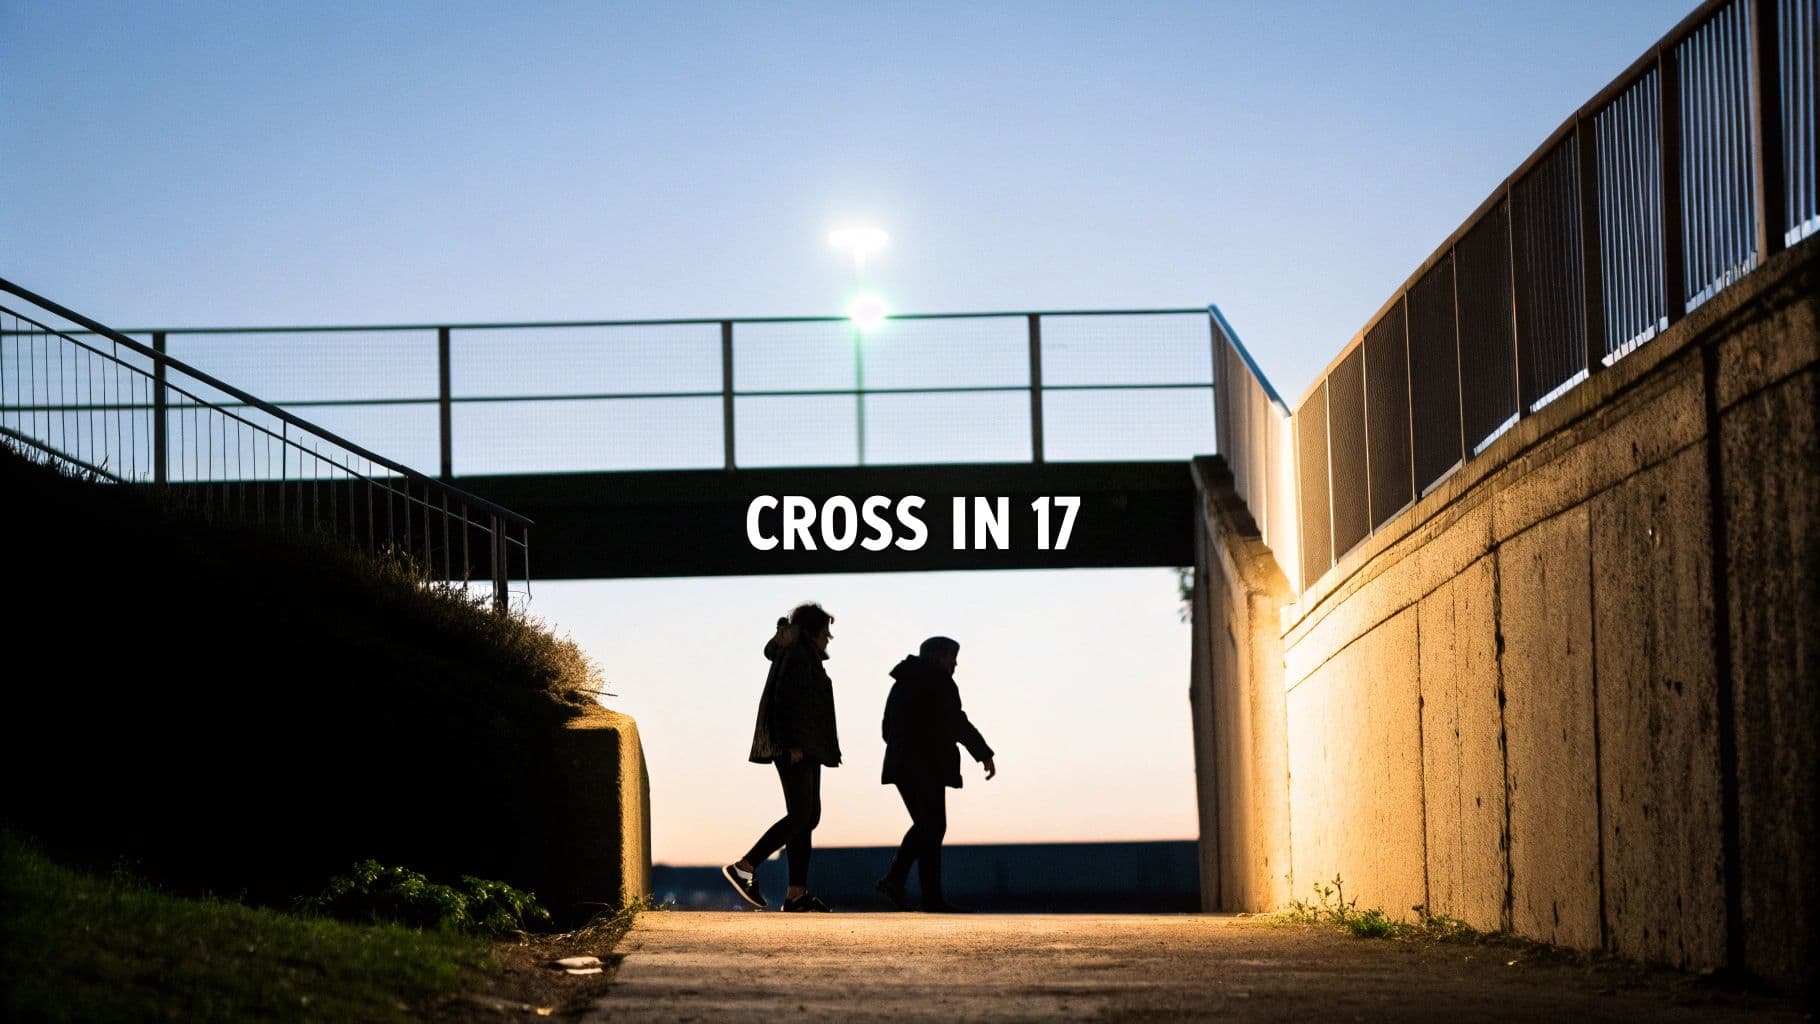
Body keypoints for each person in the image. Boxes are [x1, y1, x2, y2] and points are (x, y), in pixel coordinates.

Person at [722, 603, 841, 912]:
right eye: (825, 632)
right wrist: (791, 744)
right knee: (802, 815)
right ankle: (745, 866)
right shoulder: (797, 655)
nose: (829, 637)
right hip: (796, 748)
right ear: (813, 632)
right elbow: (784, 700)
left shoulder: (804, 655)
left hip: (807, 746)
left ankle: (797, 895)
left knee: (807, 816)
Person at [875, 635, 996, 913]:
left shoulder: (902, 682)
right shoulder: (939, 682)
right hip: (926, 765)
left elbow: (887, 729)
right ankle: (904, 884)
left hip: (903, 765)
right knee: (931, 826)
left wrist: (903, 745)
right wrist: (983, 752)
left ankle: (912, 888)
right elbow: (957, 721)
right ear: (939, 657)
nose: (955, 664)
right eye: (952, 658)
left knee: (928, 827)